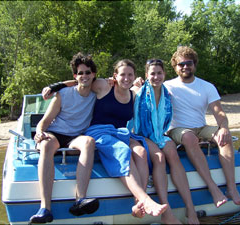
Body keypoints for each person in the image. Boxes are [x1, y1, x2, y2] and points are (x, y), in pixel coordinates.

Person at [43, 59, 168, 218]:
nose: (126, 78)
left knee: (141, 152)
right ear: (115, 76)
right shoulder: (104, 86)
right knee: (122, 151)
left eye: (130, 75)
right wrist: (56, 86)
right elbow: (81, 82)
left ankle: (138, 204)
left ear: (135, 76)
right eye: (122, 75)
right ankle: (145, 199)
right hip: (98, 131)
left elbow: (153, 94)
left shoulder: (134, 93)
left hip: (121, 133)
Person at [164, 46, 240, 208]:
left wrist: (223, 128)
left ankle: (232, 189)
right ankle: (214, 189)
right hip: (177, 130)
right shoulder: (167, 86)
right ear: (175, 67)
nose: (185, 67)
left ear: (194, 65)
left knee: (225, 137)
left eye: (189, 63)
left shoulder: (207, 86)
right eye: (181, 64)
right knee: (189, 137)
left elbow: (219, 113)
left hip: (201, 127)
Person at [29, 52, 99, 223]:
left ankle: (80, 199)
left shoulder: (97, 92)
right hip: (56, 133)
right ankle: (45, 208)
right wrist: (39, 132)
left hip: (76, 136)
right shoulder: (64, 94)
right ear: (75, 76)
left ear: (93, 74)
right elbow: (44, 122)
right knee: (46, 145)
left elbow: (118, 83)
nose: (84, 76)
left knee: (89, 142)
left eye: (88, 72)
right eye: (80, 73)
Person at [130, 59, 200, 224]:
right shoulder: (138, 92)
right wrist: (134, 84)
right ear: (146, 75)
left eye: (159, 73)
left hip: (160, 135)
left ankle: (191, 209)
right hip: (141, 135)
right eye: (152, 73)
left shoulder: (167, 93)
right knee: (159, 158)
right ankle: (167, 213)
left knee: (173, 155)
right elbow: (126, 91)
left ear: (164, 74)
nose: (156, 77)